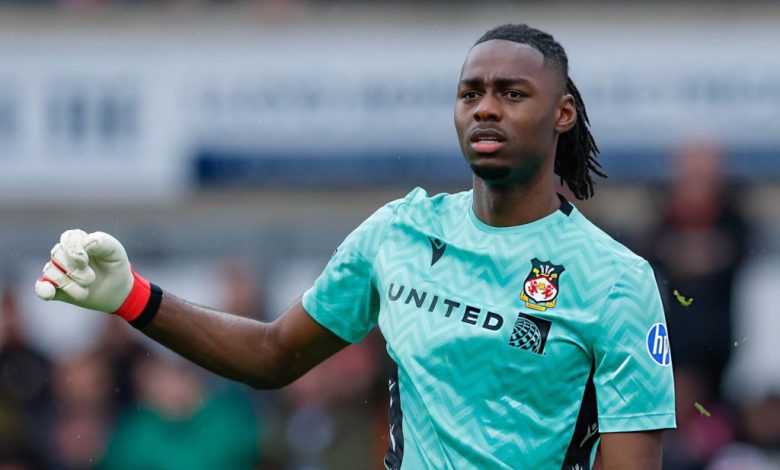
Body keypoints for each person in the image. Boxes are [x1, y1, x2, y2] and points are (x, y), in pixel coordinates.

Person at [33, 24, 675, 469]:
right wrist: (134, 298)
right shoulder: (398, 233)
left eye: (512, 94)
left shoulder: (616, 279)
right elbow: (272, 354)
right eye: (470, 93)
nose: (485, 109)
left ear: (563, 113)